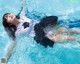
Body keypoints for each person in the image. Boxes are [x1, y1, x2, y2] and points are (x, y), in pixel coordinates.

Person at [2, 0, 80, 63]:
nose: (9, 15)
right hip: (43, 36)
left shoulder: (23, 15)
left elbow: (23, 7)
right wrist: (5, 59)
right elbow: (12, 46)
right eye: (7, 17)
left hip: (45, 27)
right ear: (9, 24)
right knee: (63, 37)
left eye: (8, 14)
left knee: (64, 30)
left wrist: (22, 1)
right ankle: (77, 40)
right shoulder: (17, 33)